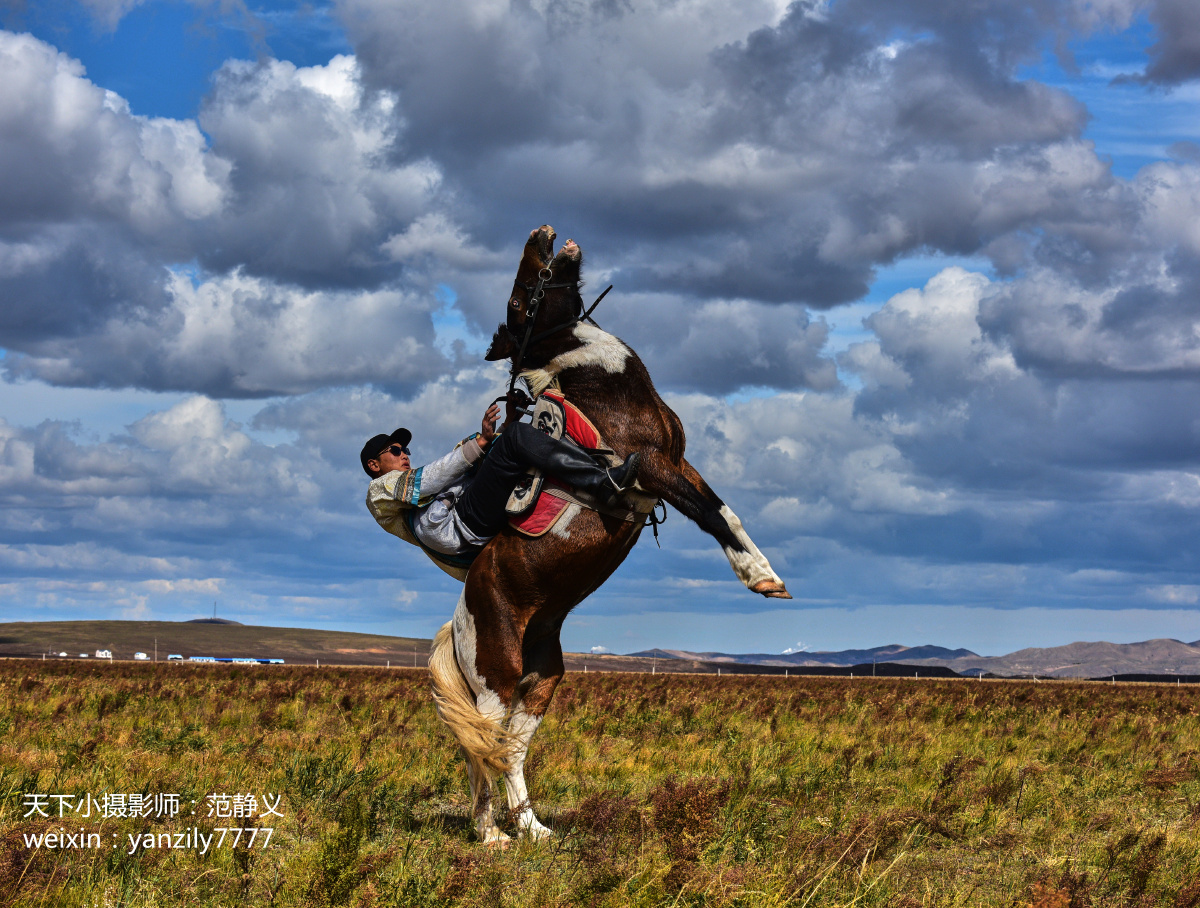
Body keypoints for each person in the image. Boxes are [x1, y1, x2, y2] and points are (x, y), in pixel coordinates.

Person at [363, 402, 640, 557]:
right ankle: (602, 482)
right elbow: (430, 480)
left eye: (406, 449)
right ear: (373, 464)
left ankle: (595, 467)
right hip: (460, 523)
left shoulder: (411, 490)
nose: (405, 455)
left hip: (465, 515)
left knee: (514, 437)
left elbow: (459, 468)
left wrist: (505, 424)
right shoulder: (378, 492)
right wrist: (486, 440)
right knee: (516, 438)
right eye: (396, 450)